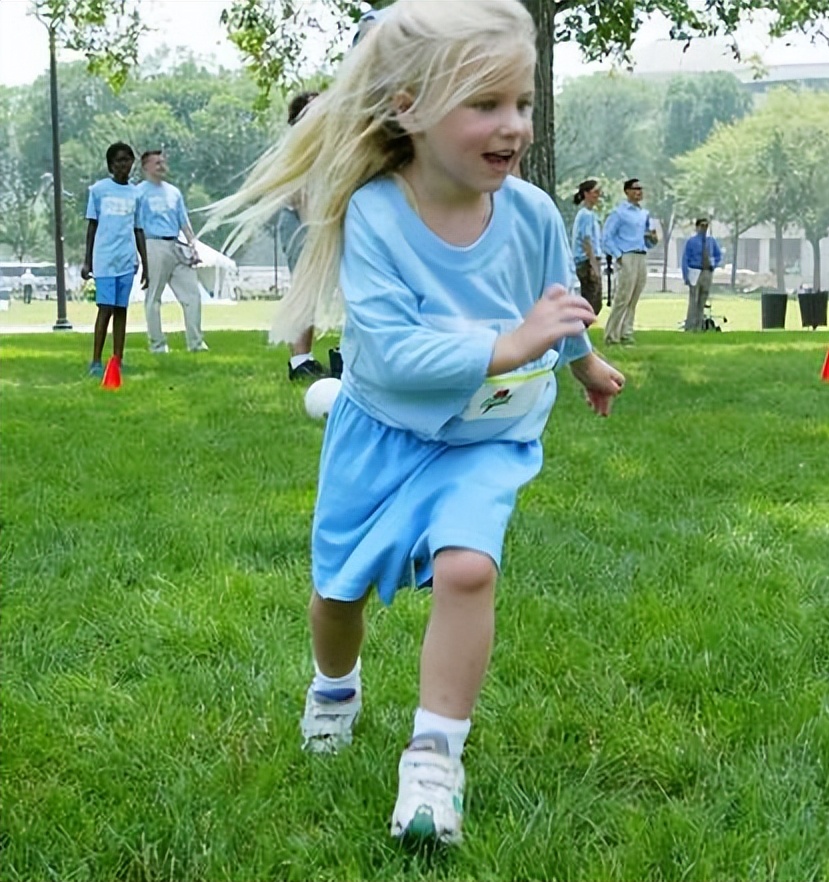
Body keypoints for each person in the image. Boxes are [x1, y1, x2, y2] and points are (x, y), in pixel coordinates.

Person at [205, 0, 624, 848]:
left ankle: (434, 759)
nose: (514, 128)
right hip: (383, 432)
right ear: (409, 109)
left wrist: (582, 362)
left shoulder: (536, 212)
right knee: (338, 592)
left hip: (487, 438)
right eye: (486, 105)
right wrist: (508, 344)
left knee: (469, 569)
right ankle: (335, 685)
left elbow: (557, 306)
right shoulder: (376, 214)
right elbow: (392, 356)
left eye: (522, 104)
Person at [82, 142, 148, 377]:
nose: (124, 165)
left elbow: (138, 229)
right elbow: (92, 226)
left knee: (121, 310)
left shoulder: (136, 194)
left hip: (126, 260)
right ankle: (96, 362)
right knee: (106, 308)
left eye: (128, 160)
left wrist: (145, 265)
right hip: (105, 260)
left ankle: (117, 359)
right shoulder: (99, 190)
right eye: (119, 161)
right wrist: (87, 261)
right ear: (111, 165)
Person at [137, 150, 208, 354]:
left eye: (163, 162)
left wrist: (192, 243)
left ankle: (196, 342)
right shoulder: (139, 192)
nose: (162, 165)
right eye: (157, 162)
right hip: (154, 244)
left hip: (176, 245)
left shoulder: (173, 192)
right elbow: (136, 225)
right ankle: (158, 345)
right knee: (154, 297)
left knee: (192, 296)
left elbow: (183, 221)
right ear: (146, 167)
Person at [279, 90, 328, 381]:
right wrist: (313, 231)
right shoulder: (299, 148)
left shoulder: (325, 145)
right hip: (299, 221)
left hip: (318, 221)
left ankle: (306, 358)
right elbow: (299, 195)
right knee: (303, 289)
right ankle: (299, 361)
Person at [601, 178, 656, 345]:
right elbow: (606, 238)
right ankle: (612, 334)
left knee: (634, 297)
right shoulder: (619, 213)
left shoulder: (644, 214)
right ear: (627, 191)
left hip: (641, 254)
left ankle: (626, 332)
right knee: (623, 296)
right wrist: (618, 255)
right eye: (635, 189)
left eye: (641, 189)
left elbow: (648, 238)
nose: (639, 192)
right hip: (627, 255)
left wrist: (652, 239)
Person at [681, 217, 722, 332]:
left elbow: (718, 255)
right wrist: (686, 275)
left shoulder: (711, 241)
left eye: (706, 226)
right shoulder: (691, 241)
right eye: (702, 226)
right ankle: (690, 326)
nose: (704, 228)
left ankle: (699, 326)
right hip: (695, 271)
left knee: (702, 300)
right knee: (693, 300)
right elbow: (685, 259)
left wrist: (714, 264)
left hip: (707, 271)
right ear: (697, 227)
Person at [570, 179, 603, 315]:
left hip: (587, 261)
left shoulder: (589, 215)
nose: (598, 195)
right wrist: (594, 264)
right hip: (586, 262)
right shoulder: (586, 215)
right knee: (591, 301)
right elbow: (586, 240)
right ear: (586, 194)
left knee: (592, 301)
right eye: (595, 192)